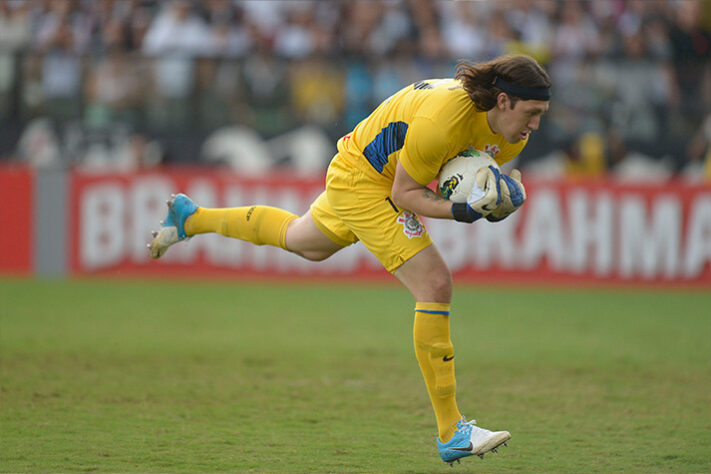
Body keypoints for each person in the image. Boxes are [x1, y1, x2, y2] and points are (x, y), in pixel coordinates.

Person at [148, 53, 551, 466]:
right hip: (365, 179)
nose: (536, 124)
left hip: (369, 170)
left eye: (541, 114)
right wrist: (465, 211)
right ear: (503, 101)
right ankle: (452, 432)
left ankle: (190, 218)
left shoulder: (513, 135)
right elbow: (405, 194)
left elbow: (465, 174)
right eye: (532, 112)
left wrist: (500, 192)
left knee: (303, 240)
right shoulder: (442, 121)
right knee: (434, 283)